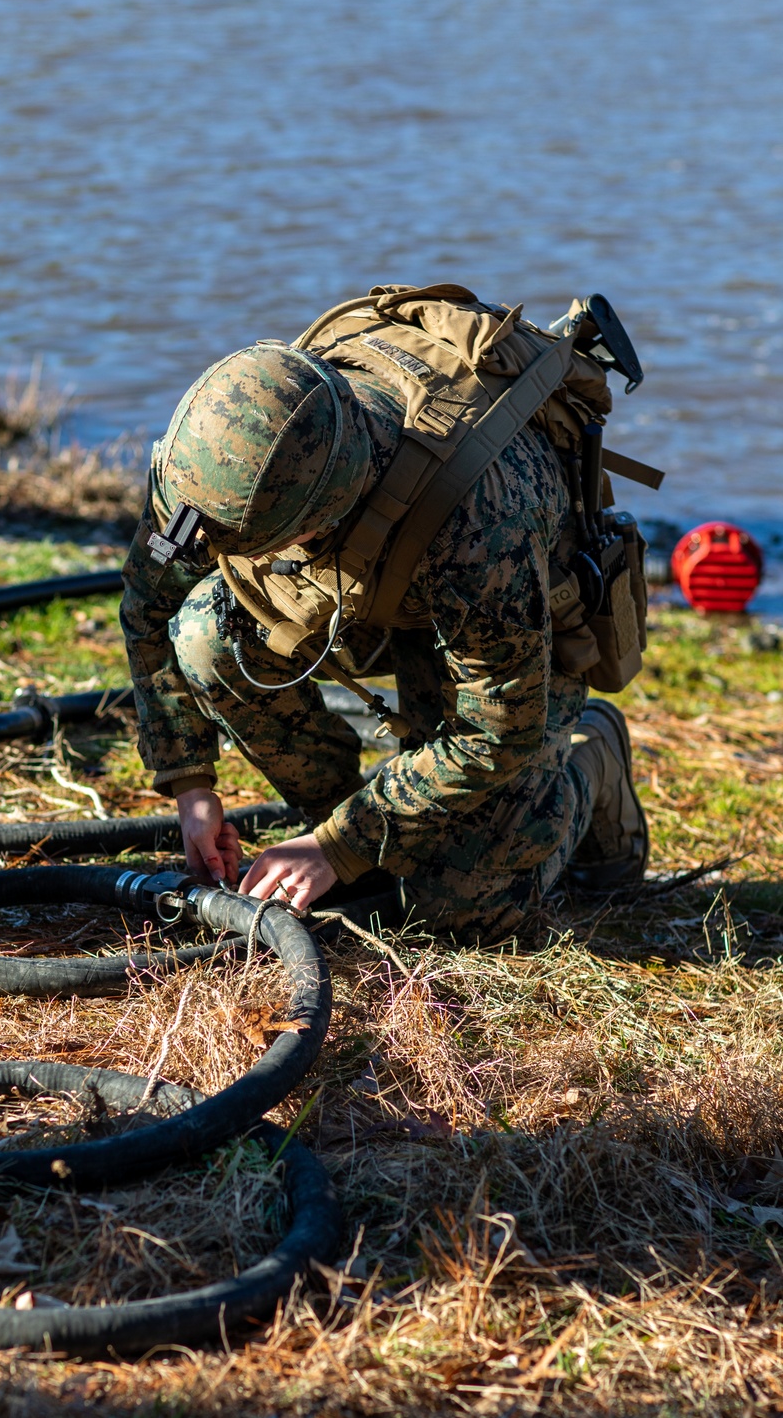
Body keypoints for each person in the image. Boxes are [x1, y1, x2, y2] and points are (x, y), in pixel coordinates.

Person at [119, 284, 649, 943]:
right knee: (203, 632)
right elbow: (149, 608)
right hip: (369, 589)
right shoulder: (210, 455)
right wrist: (191, 785)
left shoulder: (481, 520)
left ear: (315, 523)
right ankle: (343, 824)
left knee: (467, 912)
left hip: (500, 625)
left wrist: (339, 845)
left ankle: (592, 756)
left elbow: (497, 731)